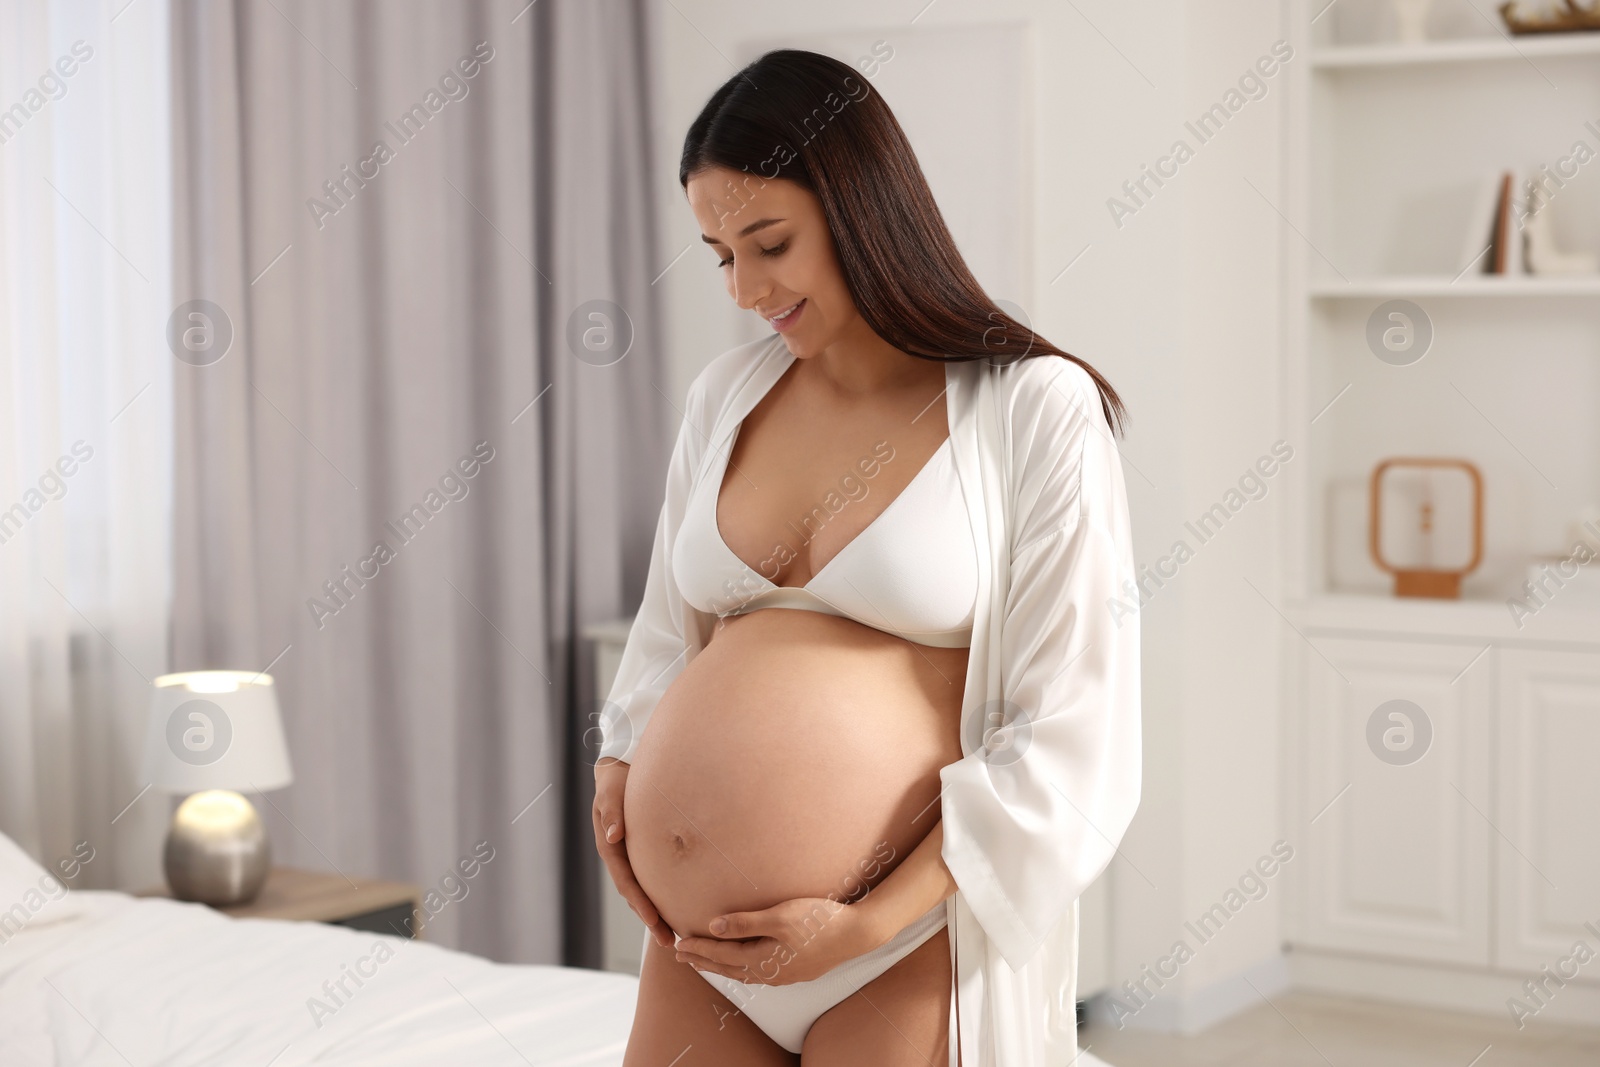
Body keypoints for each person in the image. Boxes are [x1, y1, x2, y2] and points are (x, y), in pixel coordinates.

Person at [592, 48, 1142, 1066]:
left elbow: (1071, 719)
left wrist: (866, 923)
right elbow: (668, 633)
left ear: (859, 209)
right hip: (700, 947)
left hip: (904, 942)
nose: (746, 288)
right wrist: (622, 763)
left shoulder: (1032, 408)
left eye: (769, 243)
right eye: (718, 253)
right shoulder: (726, 396)